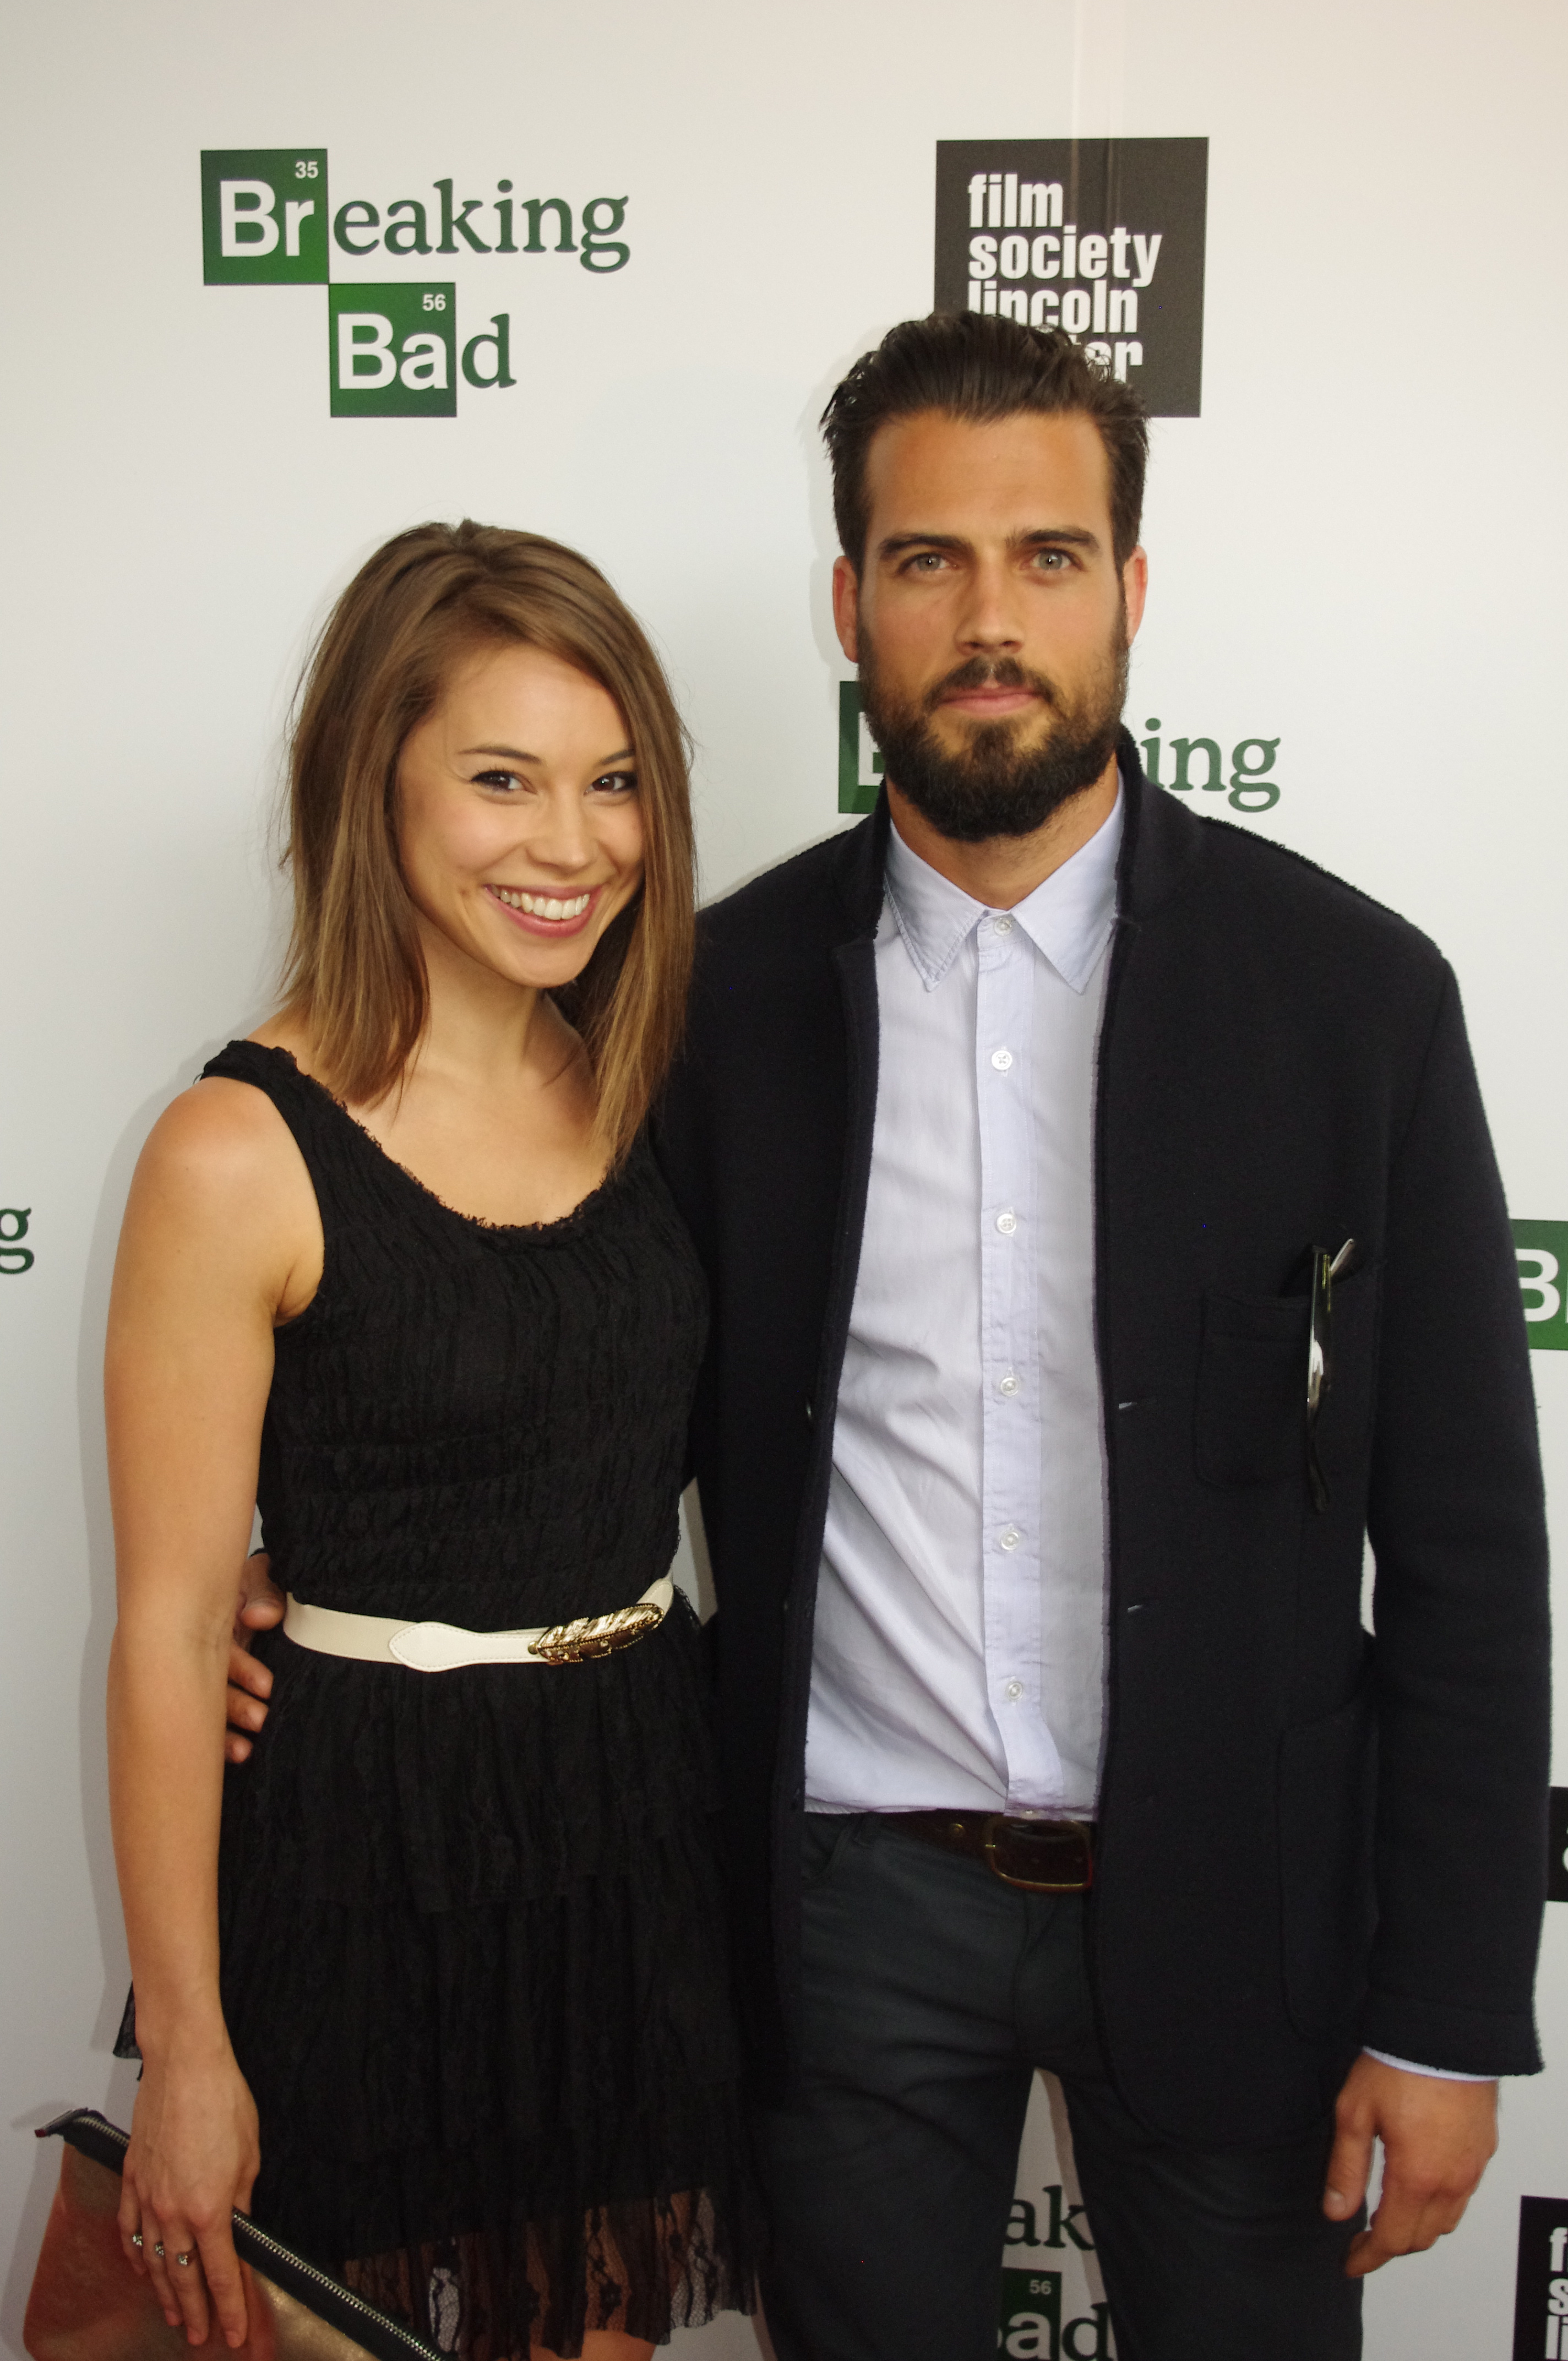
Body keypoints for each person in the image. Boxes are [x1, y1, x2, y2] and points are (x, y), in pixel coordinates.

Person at [229, 318, 1552, 2360]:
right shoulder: (707, 1007)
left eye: (1049, 557)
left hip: (1241, 1910)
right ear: (851, 606)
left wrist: (1453, 2011)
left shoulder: (1355, 1001)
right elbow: (573, 1371)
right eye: (931, 561)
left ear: (1131, 589)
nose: (991, 617)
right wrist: (314, 1577)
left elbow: (1468, 1553)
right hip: (842, 1920)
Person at [104, 523, 758, 2361]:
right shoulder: (235, 1153)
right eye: (502, 779)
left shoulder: (641, 1080)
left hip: (634, 1821)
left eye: (616, 780)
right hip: (360, 1858)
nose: (574, 843)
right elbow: (164, 1631)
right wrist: (189, 2051)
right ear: (367, 782)